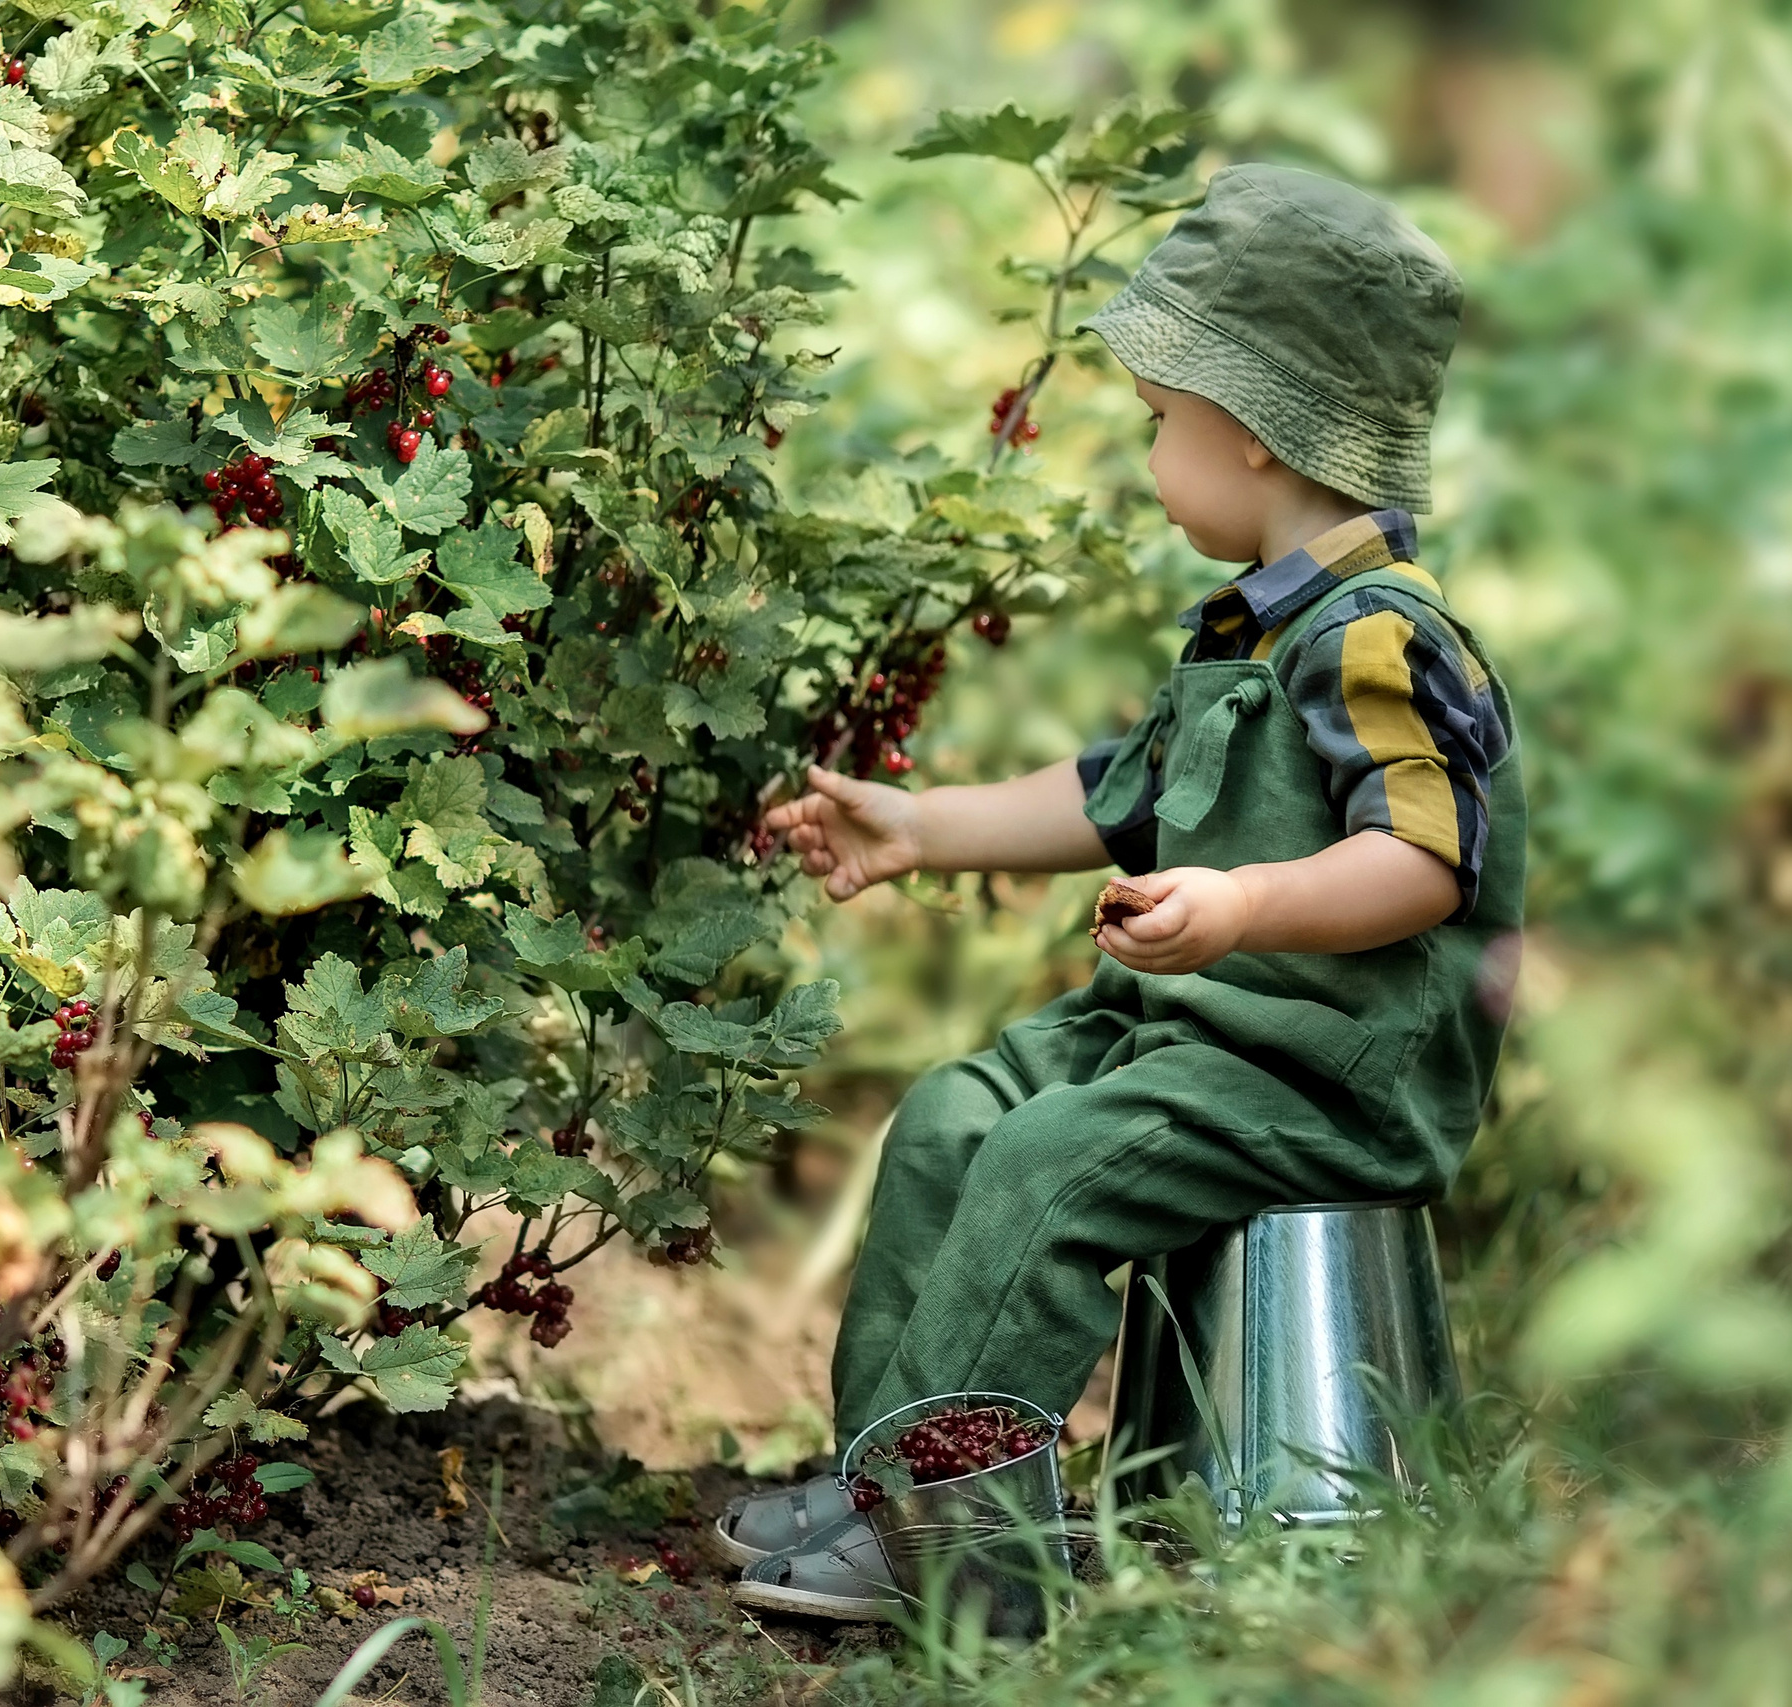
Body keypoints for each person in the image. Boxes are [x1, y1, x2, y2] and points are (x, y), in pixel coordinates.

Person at [723, 163, 1526, 1622]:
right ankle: (882, 1487)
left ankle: (965, 1560)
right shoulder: (1245, 634)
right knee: (955, 1118)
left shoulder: (1385, 642)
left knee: (1047, 1170)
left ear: (1257, 432)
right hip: (1189, 1039)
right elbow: (1114, 793)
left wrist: (1240, 909)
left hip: (1328, 1074)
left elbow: (1422, 858)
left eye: (1162, 423)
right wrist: (922, 823)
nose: (1153, 450)